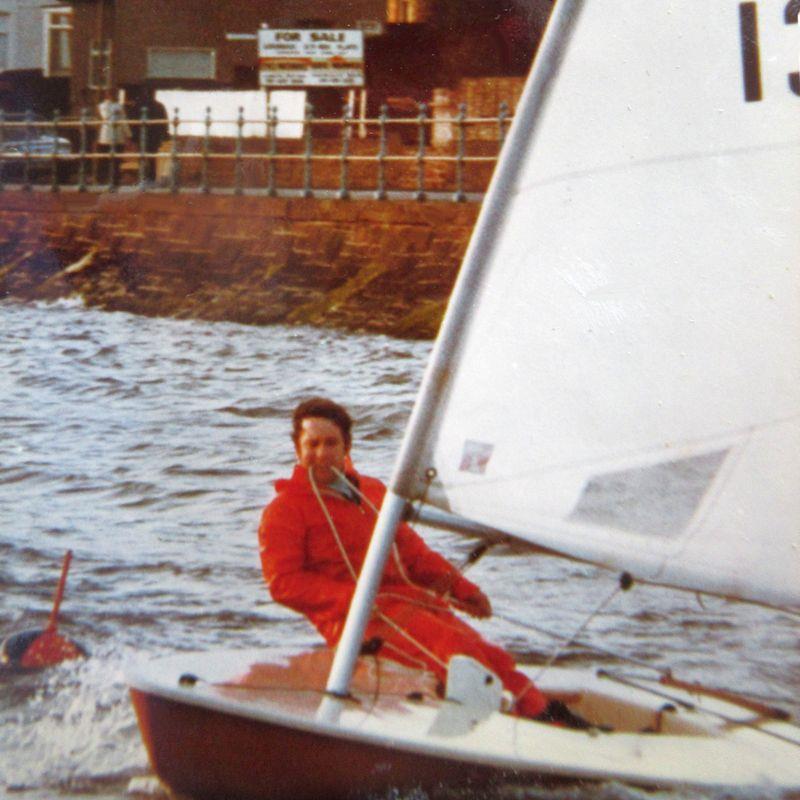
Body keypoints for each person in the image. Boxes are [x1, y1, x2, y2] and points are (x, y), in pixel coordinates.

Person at [258, 397, 555, 720]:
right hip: (358, 621)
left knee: (493, 656)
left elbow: (414, 554)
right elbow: (284, 584)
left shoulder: (372, 492)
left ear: (346, 447)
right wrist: (357, 600)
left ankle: (548, 716)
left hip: (409, 602)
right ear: (297, 449)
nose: (321, 453)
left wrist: (461, 589)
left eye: (331, 443)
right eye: (311, 444)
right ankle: (511, 725)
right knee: (459, 656)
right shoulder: (284, 510)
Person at [131, 88, 169, 185]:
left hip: (143, 135)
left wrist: (133, 136)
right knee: (152, 157)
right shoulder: (159, 106)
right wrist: (164, 134)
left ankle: (143, 178)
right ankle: (151, 178)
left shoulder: (137, 106)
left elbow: (132, 122)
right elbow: (164, 122)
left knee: (142, 157)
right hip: (154, 135)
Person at [96, 90, 131, 186]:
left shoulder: (116, 106)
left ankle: (112, 179)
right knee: (108, 159)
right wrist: (128, 135)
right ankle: (106, 179)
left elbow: (123, 121)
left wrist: (128, 135)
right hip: (109, 136)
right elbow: (106, 116)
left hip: (113, 136)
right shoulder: (104, 106)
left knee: (114, 159)